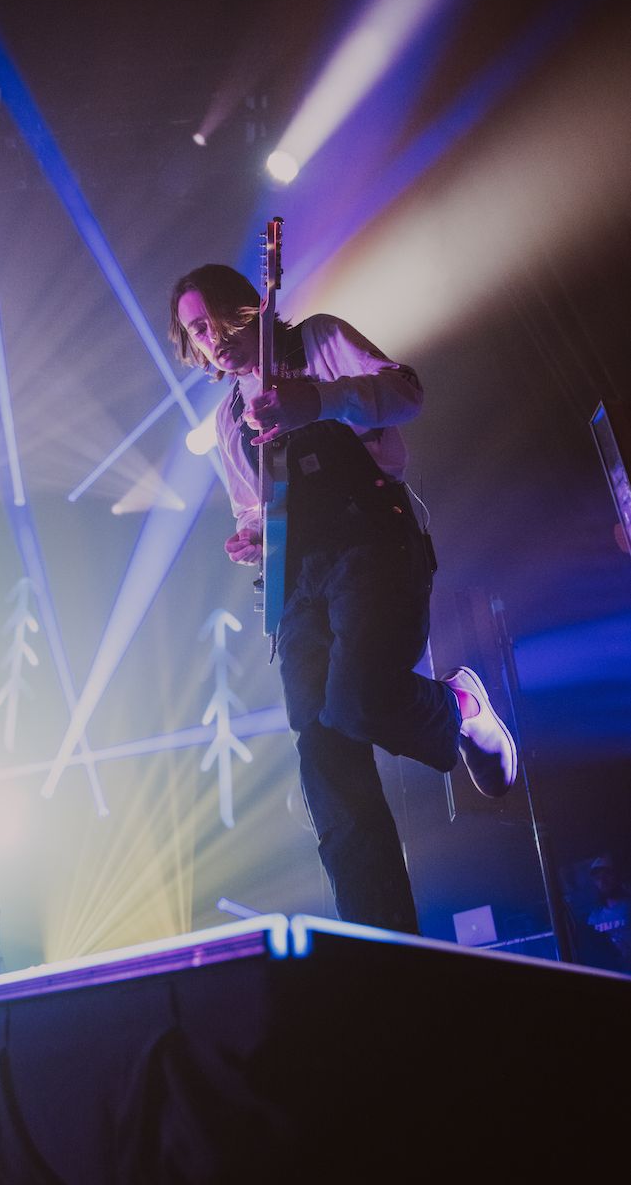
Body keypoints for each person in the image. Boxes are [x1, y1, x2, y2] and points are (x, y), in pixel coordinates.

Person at [168, 264, 517, 934]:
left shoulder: (318, 340)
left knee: (356, 700)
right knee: (323, 751)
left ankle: (460, 706)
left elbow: (405, 393)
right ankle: (383, 942)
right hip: (297, 582)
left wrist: (316, 402)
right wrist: (251, 537)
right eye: (197, 331)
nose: (212, 339)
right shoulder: (227, 419)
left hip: (371, 543)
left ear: (249, 308)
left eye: (217, 320)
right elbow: (253, 506)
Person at [586, 854, 631, 973]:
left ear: (617, 877)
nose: (603, 881)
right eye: (598, 878)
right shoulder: (593, 918)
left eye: (607, 875)